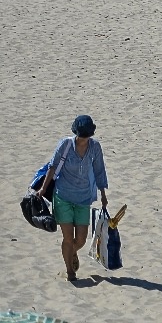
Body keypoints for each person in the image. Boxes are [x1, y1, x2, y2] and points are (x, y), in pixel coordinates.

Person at [36, 115, 109, 282]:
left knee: (81, 240)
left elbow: (99, 171)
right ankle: (70, 271)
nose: (84, 139)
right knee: (68, 238)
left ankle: (72, 252)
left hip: (84, 199)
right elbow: (53, 167)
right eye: (82, 135)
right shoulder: (65, 144)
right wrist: (43, 189)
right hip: (63, 197)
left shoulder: (95, 147)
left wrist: (103, 195)